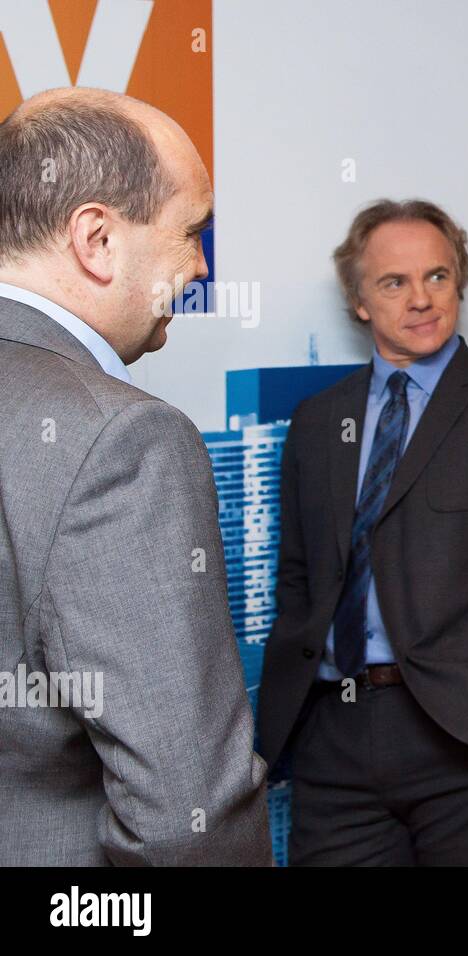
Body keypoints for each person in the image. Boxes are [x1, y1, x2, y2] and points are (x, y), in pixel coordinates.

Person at [258, 199, 468, 866]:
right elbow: (299, 576)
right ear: (359, 302)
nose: (421, 299)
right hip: (334, 734)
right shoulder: (318, 421)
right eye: (394, 282)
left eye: (437, 276)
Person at [0, 88, 271, 865]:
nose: (201, 265)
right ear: (97, 239)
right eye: (191, 232)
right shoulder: (124, 441)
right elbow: (187, 812)